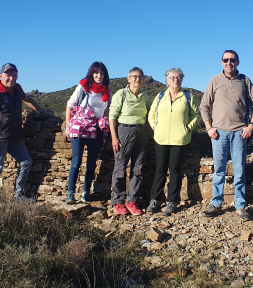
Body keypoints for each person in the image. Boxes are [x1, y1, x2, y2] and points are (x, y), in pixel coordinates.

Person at [200, 50, 253, 221]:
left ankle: (240, 205)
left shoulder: (244, 80)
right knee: (219, 170)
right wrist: (209, 127)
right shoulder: (215, 80)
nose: (229, 63)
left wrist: (251, 125)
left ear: (237, 62)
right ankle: (216, 203)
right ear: (221, 62)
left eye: (232, 60)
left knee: (239, 170)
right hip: (218, 133)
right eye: (226, 60)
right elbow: (204, 105)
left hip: (239, 132)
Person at [0, 62, 52, 202]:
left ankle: (18, 196)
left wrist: (42, 111)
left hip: (16, 137)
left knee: (26, 162)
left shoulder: (17, 89)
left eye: (14, 75)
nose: (11, 78)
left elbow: (27, 99)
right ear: (1, 76)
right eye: (8, 75)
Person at [146, 68, 201, 216]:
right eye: (172, 77)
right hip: (161, 137)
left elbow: (196, 115)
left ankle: (171, 202)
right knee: (160, 169)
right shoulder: (160, 96)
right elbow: (152, 114)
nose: (175, 80)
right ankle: (155, 200)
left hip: (180, 139)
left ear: (182, 79)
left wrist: (188, 128)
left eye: (178, 77)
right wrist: (154, 127)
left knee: (175, 170)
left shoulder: (188, 96)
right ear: (167, 79)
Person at [65, 62, 112, 204]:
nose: (99, 76)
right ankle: (70, 194)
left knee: (91, 163)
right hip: (80, 128)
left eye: (102, 73)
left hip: (96, 129)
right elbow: (69, 105)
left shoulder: (107, 91)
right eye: (96, 73)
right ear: (91, 73)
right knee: (76, 161)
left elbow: (108, 109)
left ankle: (86, 193)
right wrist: (68, 126)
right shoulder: (84, 87)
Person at [108, 67, 151, 216]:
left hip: (141, 133)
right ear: (128, 79)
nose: (137, 79)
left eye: (140, 77)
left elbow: (149, 115)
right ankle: (118, 201)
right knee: (120, 167)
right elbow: (112, 116)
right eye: (134, 76)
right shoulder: (122, 94)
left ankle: (132, 201)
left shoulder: (145, 96)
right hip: (125, 131)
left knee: (138, 168)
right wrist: (114, 137)